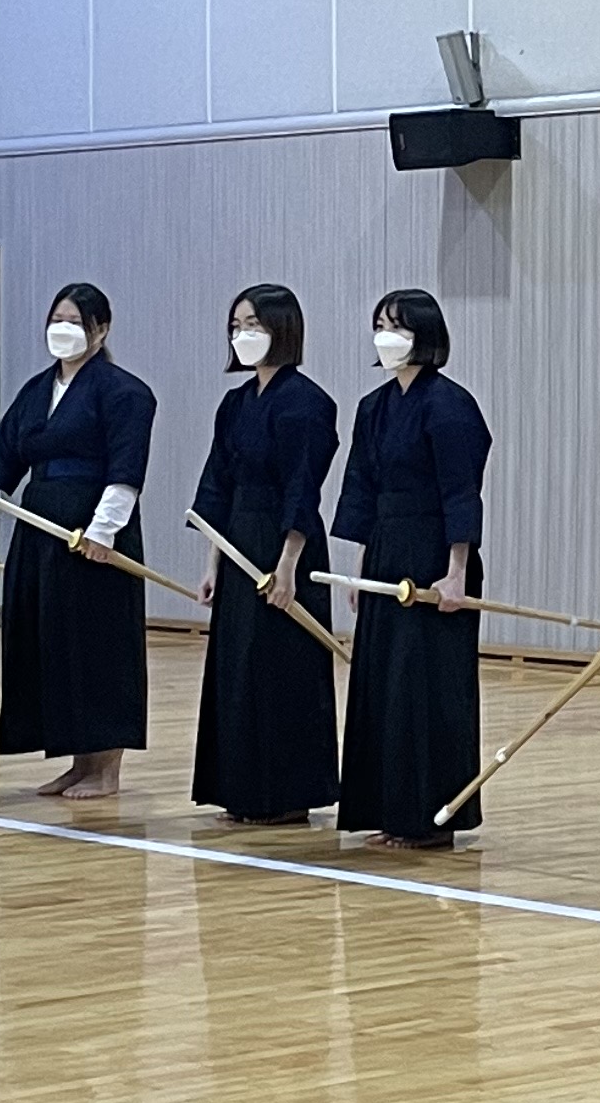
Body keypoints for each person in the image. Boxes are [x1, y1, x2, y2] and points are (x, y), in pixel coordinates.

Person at [0, 281, 156, 799]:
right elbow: (2, 460)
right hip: (39, 525)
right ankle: (77, 761)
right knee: (51, 642)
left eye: (74, 322)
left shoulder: (125, 392)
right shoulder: (36, 391)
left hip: (92, 530)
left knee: (97, 644)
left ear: (101, 330)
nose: (62, 330)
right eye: (56, 320)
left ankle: (106, 768)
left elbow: (125, 470)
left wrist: (103, 530)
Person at [334, 288, 490, 847]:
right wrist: (360, 567)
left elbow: (461, 492)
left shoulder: (450, 405)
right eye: (380, 324)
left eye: (397, 326)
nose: (386, 335)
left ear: (424, 334)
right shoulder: (373, 407)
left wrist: (456, 572)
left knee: (424, 688)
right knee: (382, 685)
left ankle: (430, 818)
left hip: (433, 554)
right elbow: (361, 489)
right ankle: (388, 810)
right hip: (385, 550)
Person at [189, 284, 342, 826]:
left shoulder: (307, 403)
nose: (242, 335)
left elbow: (303, 488)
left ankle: (287, 794)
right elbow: (217, 486)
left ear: (282, 329)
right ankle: (241, 791)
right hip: (238, 542)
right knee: (237, 668)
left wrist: (288, 565)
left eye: (252, 324)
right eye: (235, 326)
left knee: (282, 669)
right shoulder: (234, 404)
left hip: (285, 548)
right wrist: (212, 563)